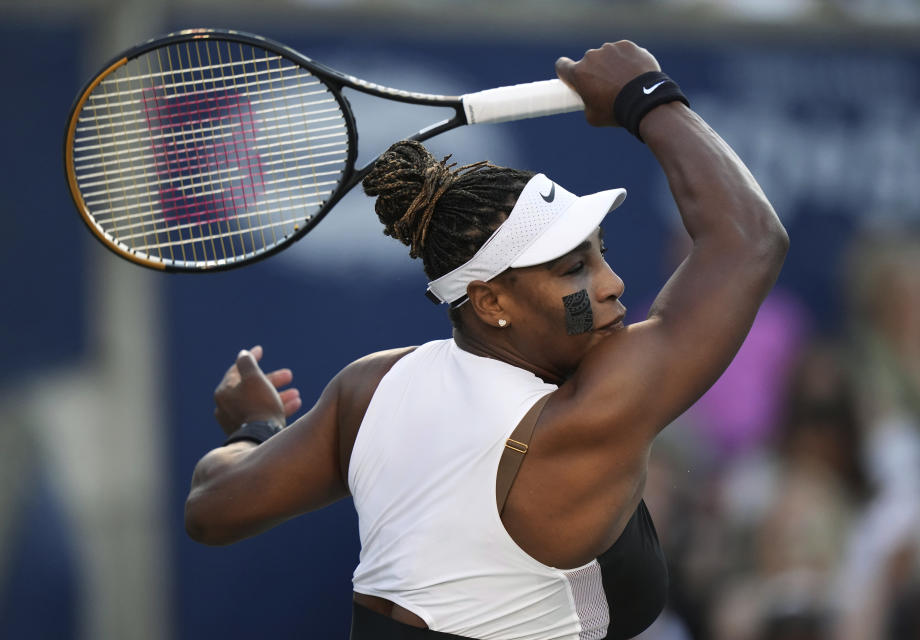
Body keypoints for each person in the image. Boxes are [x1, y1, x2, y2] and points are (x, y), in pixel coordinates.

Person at [185, 41, 789, 639]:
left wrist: (255, 429)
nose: (612, 285)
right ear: (492, 302)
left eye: (600, 255)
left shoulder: (370, 389)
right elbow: (748, 240)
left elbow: (212, 509)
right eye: (572, 269)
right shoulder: (586, 413)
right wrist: (647, 97)